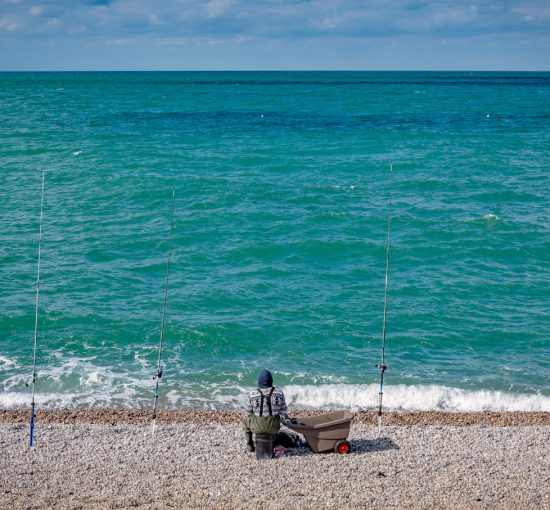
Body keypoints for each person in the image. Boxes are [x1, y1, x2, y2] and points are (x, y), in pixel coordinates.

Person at [244, 369, 289, 452]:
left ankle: (250, 445)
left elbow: (248, 413)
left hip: (258, 427)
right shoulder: (279, 392)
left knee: (246, 420)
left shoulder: (252, 394)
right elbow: (284, 412)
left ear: (259, 381)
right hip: (274, 427)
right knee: (276, 414)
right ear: (271, 381)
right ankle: (273, 439)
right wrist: (287, 421)